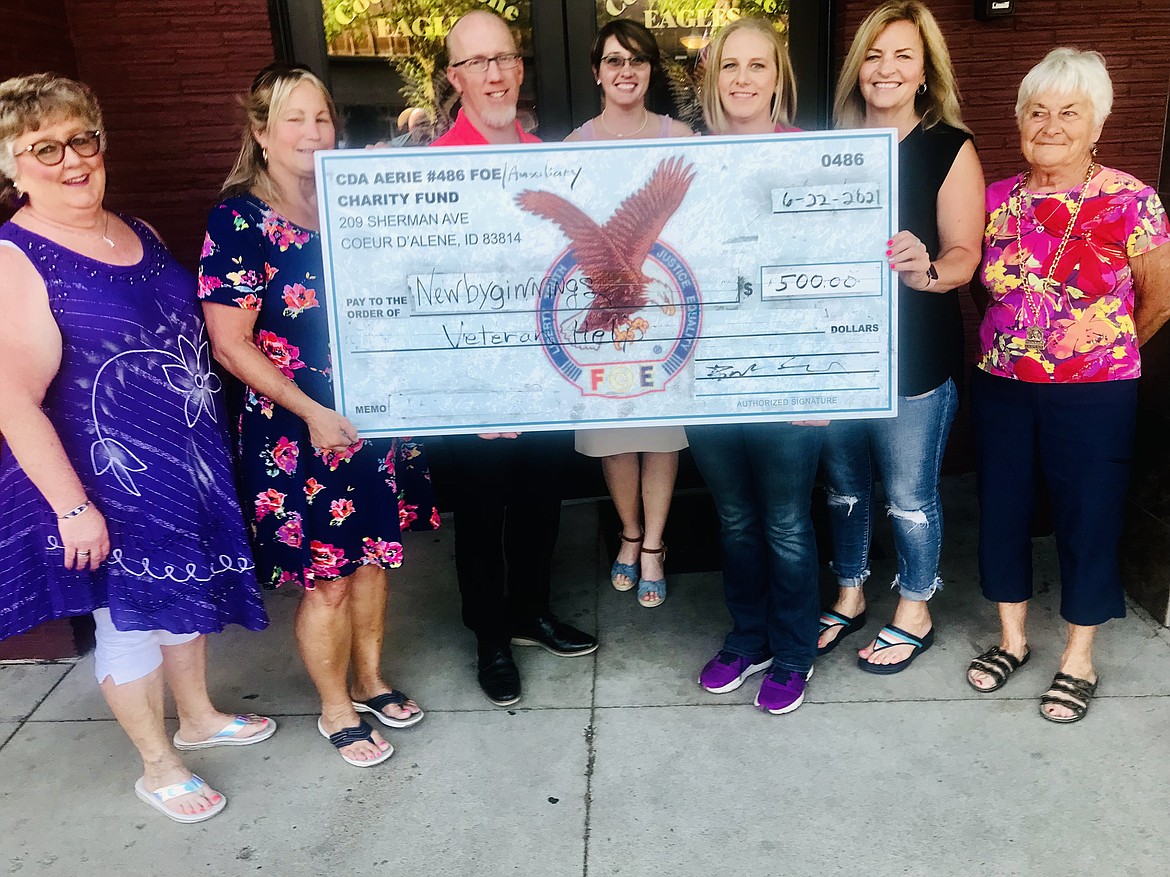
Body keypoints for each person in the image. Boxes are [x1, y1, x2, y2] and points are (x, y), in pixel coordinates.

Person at [0, 74, 272, 823]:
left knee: (180, 599)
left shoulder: (139, 231)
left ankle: (199, 716)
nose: (71, 159)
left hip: (179, 464)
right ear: (11, 165)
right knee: (129, 623)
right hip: (104, 479)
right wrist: (72, 506)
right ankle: (158, 764)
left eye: (81, 139)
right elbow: (12, 399)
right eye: (43, 148)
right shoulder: (18, 258)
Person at [198, 64, 438, 767]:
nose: (311, 131)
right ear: (261, 131)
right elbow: (229, 342)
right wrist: (311, 409)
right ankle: (335, 705)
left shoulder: (347, 204)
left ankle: (369, 679)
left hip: (369, 419)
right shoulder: (240, 218)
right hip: (297, 429)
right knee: (328, 575)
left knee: (374, 564)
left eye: (322, 117)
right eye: (294, 117)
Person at [967, 48, 1170, 722]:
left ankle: (1078, 656)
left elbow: (1159, 301)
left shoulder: (1132, 200)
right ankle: (1013, 640)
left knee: (1089, 516)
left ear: (1096, 124)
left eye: (1069, 111)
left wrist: (1101, 355)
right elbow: (980, 290)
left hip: (1095, 393)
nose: (1051, 125)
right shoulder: (995, 202)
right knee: (1001, 509)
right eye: (1038, 111)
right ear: (1020, 121)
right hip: (1001, 383)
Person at [429, 9, 598, 707]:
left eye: (503, 58)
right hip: (470, 383)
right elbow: (424, 293)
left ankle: (530, 611)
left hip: (544, 374)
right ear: (454, 78)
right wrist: (473, 391)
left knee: (539, 504)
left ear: (520, 68)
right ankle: (490, 634)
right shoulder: (429, 172)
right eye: (476, 63)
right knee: (481, 516)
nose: (493, 73)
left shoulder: (550, 161)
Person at [817, 0, 984, 674]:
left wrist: (930, 271)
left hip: (916, 354)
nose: (886, 68)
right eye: (874, 55)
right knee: (845, 486)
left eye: (902, 56)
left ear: (924, 72)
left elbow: (966, 252)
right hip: (841, 353)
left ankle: (916, 605)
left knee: (910, 494)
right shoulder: (831, 146)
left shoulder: (950, 145)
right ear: (859, 68)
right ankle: (851, 590)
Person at [688, 17, 821, 715]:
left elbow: (838, 268)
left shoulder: (816, 159)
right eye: (730, 66)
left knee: (787, 524)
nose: (743, 79)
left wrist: (832, 374)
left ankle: (795, 648)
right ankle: (748, 637)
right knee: (736, 519)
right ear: (714, 78)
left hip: (789, 379)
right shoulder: (686, 161)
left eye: (757, 65)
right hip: (707, 379)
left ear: (779, 76)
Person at [566, 19, 693, 609]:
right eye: (614, 60)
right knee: (617, 436)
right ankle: (629, 534)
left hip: (663, 309)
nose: (626, 71)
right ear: (597, 71)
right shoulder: (574, 146)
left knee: (661, 434)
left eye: (637, 61)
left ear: (649, 71)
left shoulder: (679, 137)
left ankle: (655, 546)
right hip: (602, 310)